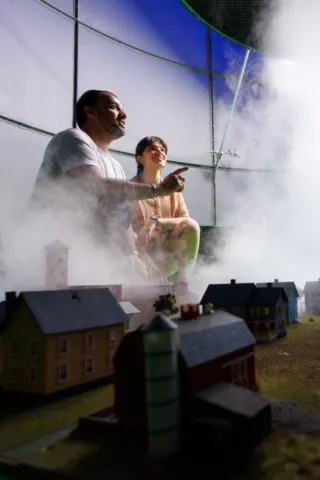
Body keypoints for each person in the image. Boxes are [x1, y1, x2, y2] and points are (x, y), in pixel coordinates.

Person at [31, 90, 188, 279]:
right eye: (114, 107)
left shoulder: (116, 166)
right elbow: (96, 187)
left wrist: (137, 257)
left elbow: (122, 219)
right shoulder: (72, 138)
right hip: (54, 252)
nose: (124, 114)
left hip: (91, 259)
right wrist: (160, 190)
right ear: (91, 112)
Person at [130, 136, 200, 283]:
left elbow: (186, 224)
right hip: (139, 261)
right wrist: (148, 263)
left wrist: (155, 221)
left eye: (162, 150)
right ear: (140, 159)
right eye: (152, 149)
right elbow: (127, 234)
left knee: (192, 226)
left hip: (167, 258)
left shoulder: (174, 192)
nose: (159, 152)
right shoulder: (130, 189)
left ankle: (183, 284)